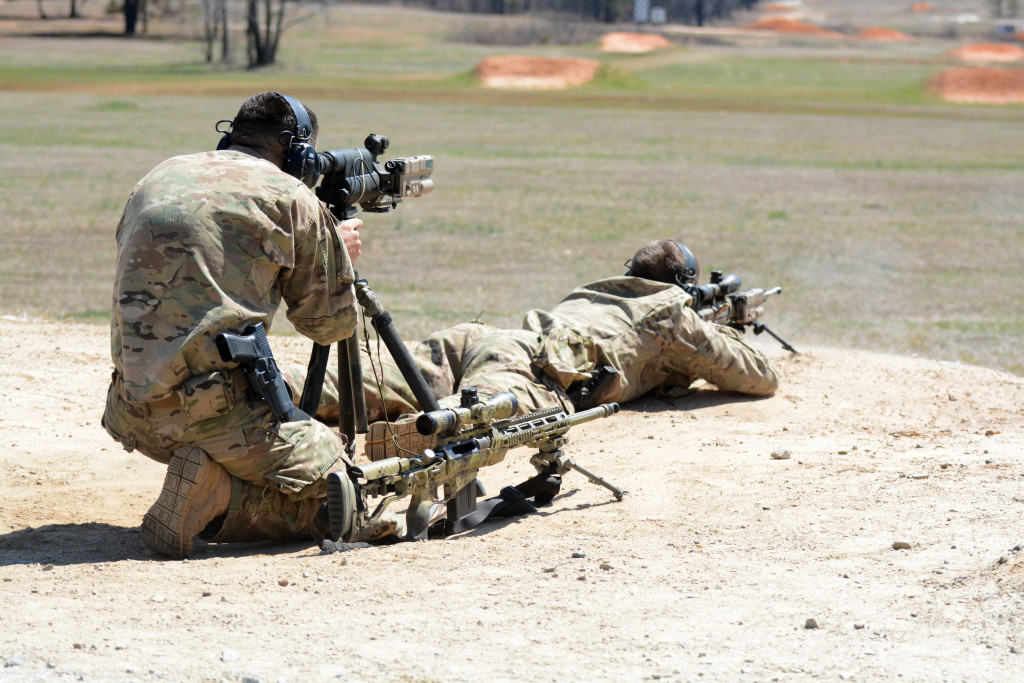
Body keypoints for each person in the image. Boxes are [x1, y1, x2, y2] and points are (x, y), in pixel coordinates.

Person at [100, 91, 391, 560]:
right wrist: (335, 252)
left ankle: (209, 475)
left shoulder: (158, 175)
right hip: (213, 417)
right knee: (348, 491)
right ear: (296, 151)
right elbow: (328, 326)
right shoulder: (290, 196)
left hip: (131, 412)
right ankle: (217, 500)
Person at [286, 239, 779, 460]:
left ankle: (265, 390)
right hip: (533, 370)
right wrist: (717, 328)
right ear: (681, 287)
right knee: (467, 419)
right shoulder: (671, 312)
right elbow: (757, 375)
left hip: (482, 339)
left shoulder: (596, 291)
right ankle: (404, 441)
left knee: (365, 381)